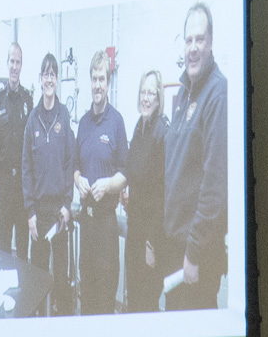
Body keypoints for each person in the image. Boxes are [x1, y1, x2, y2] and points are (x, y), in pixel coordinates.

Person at [163, 3, 228, 310]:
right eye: (188, 40)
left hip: (195, 259)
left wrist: (194, 252)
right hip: (175, 248)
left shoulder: (216, 94)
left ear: (211, 42)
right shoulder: (184, 92)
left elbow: (215, 185)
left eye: (199, 40)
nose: (192, 48)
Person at [75, 50, 128, 315]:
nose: (97, 85)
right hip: (87, 222)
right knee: (87, 295)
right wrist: (78, 180)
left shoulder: (116, 122)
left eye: (102, 79)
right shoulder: (83, 123)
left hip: (107, 224)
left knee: (105, 296)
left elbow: (125, 172)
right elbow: (74, 167)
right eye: (94, 79)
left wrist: (107, 184)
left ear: (108, 83)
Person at [24, 52, 77, 315]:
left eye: (52, 74)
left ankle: (62, 324)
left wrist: (68, 205)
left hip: (60, 214)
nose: (49, 79)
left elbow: (70, 162)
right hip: (39, 214)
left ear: (57, 79)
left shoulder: (64, 117)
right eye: (45, 74)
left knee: (61, 279)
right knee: (38, 278)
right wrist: (30, 212)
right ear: (40, 79)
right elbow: (26, 168)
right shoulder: (32, 119)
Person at [123, 70, 168, 312]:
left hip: (151, 238)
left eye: (151, 93)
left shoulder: (161, 132)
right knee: (133, 301)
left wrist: (152, 246)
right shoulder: (138, 127)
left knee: (146, 304)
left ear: (159, 99)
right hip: (134, 232)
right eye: (143, 92)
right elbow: (133, 169)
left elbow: (163, 194)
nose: (146, 98)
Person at [0, 43, 33, 262]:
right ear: (7, 65)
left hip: (22, 189)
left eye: (18, 62)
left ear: (21, 66)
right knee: (3, 250)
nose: (14, 66)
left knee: (23, 250)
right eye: (11, 62)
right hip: (4, 186)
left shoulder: (28, 100)